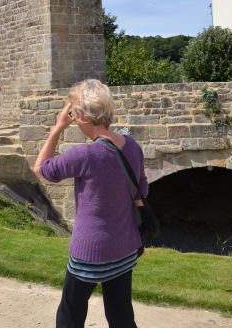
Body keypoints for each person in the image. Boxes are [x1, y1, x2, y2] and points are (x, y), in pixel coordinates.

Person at [33, 79, 147, 328]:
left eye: (73, 113)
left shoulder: (84, 154)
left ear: (82, 116)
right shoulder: (132, 146)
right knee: (121, 315)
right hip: (125, 247)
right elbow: (142, 189)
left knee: (70, 315)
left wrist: (57, 128)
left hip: (90, 251)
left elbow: (41, 168)